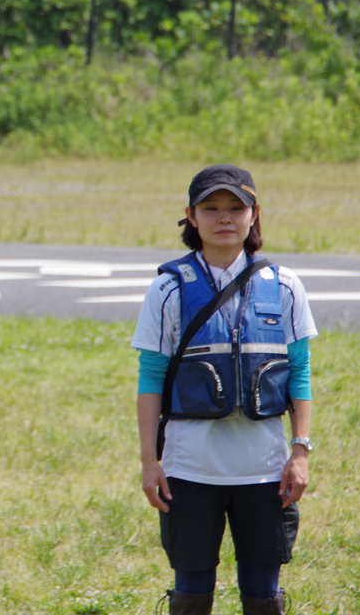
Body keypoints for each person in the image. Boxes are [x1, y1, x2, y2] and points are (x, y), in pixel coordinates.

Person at [133, 165, 317, 615]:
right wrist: (148, 462)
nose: (224, 218)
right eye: (211, 208)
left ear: (254, 214)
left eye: (236, 207)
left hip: (265, 469)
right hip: (189, 468)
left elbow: (300, 373)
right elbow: (151, 377)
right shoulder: (168, 288)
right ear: (190, 217)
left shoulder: (285, 286)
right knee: (191, 590)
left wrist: (300, 452)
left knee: (263, 592)